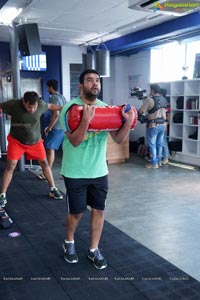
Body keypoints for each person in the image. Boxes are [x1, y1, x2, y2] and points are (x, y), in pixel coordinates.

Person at [59, 69, 134, 269]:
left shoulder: (106, 109)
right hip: (75, 171)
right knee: (77, 213)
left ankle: (94, 249)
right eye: (90, 80)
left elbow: (118, 139)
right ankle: (69, 242)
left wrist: (127, 123)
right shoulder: (68, 109)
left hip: (100, 171)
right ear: (81, 86)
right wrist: (85, 120)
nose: (95, 84)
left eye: (97, 80)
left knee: (99, 211)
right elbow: (75, 141)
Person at [0, 91, 63, 209]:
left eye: (34, 107)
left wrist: (64, 107)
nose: (32, 110)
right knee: (11, 166)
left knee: (44, 163)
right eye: (29, 107)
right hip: (16, 141)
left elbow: (50, 106)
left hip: (35, 142)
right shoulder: (13, 105)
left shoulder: (41, 104)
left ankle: (53, 189)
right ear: (24, 102)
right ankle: (2, 194)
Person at [138, 84, 166, 169]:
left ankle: (154, 163)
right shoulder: (164, 99)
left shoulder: (149, 100)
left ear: (152, 90)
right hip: (163, 125)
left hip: (153, 125)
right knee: (159, 144)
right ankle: (159, 161)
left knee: (152, 144)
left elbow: (141, 111)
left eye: (150, 90)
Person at [44, 79, 67, 170]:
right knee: (63, 150)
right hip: (63, 126)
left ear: (50, 87)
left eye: (47, 87)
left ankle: (47, 171)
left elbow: (56, 115)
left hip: (56, 127)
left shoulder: (53, 97)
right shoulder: (62, 97)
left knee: (50, 148)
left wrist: (49, 128)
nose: (47, 89)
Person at [160, 88, 170, 165]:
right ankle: (160, 157)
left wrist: (166, 124)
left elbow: (168, 114)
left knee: (163, 141)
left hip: (163, 124)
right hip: (160, 123)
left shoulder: (165, 102)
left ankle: (166, 157)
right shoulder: (161, 101)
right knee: (160, 141)